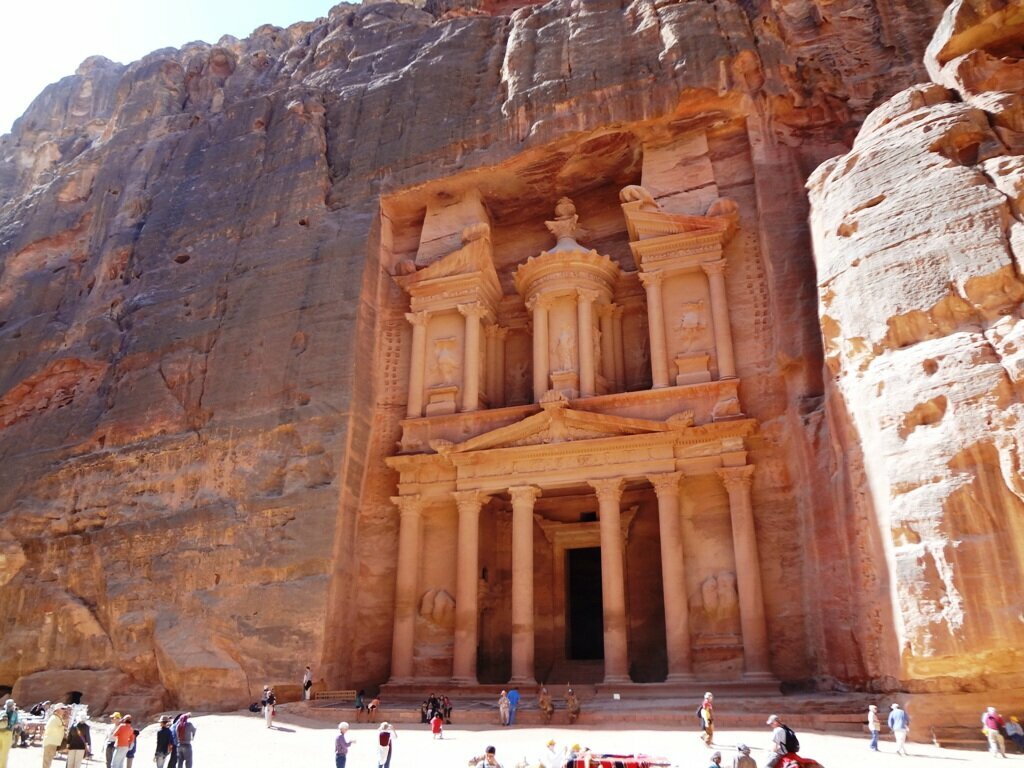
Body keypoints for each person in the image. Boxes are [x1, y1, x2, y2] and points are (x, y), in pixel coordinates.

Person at [0, 699, 17, 768]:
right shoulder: (14, 714)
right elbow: (16, 724)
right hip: (7, 734)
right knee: (4, 753)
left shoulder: (2, 712)